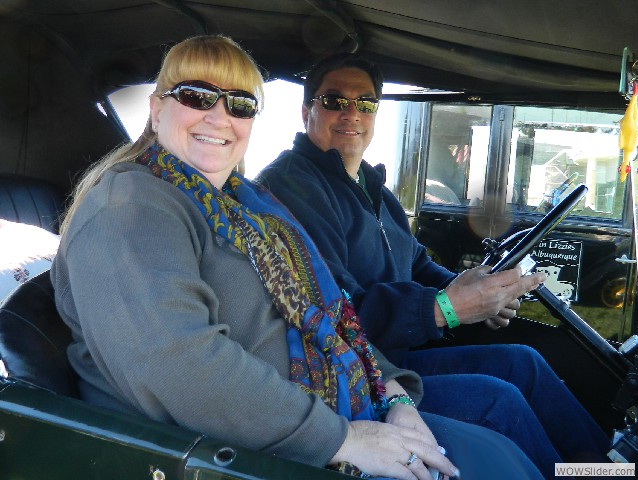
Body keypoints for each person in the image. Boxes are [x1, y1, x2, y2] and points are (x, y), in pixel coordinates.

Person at [50, 35, 544, 480]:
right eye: (198, 96)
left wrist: (392, 393)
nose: (221, 116)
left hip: (328, 404)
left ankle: (601, 470)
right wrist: (343, 439)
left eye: (241, 104)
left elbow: (330, 314)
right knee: (494, 447)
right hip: (230, 449)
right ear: (157, 110)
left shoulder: (245, 206)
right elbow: (177, 361)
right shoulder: (132, 205)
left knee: (500, 446)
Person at [256, 53, 612, 477]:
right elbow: (337, 308)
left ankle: (605, 469)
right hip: (353, 372)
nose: (351, 113)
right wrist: (445, 307)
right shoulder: (291, 187)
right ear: (306, 109)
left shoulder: (372, 186)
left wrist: (477, 295)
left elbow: (416, 261)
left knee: (525, 362)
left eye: (365, 103)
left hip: (397, 355)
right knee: (497, 398)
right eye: (334, 100)